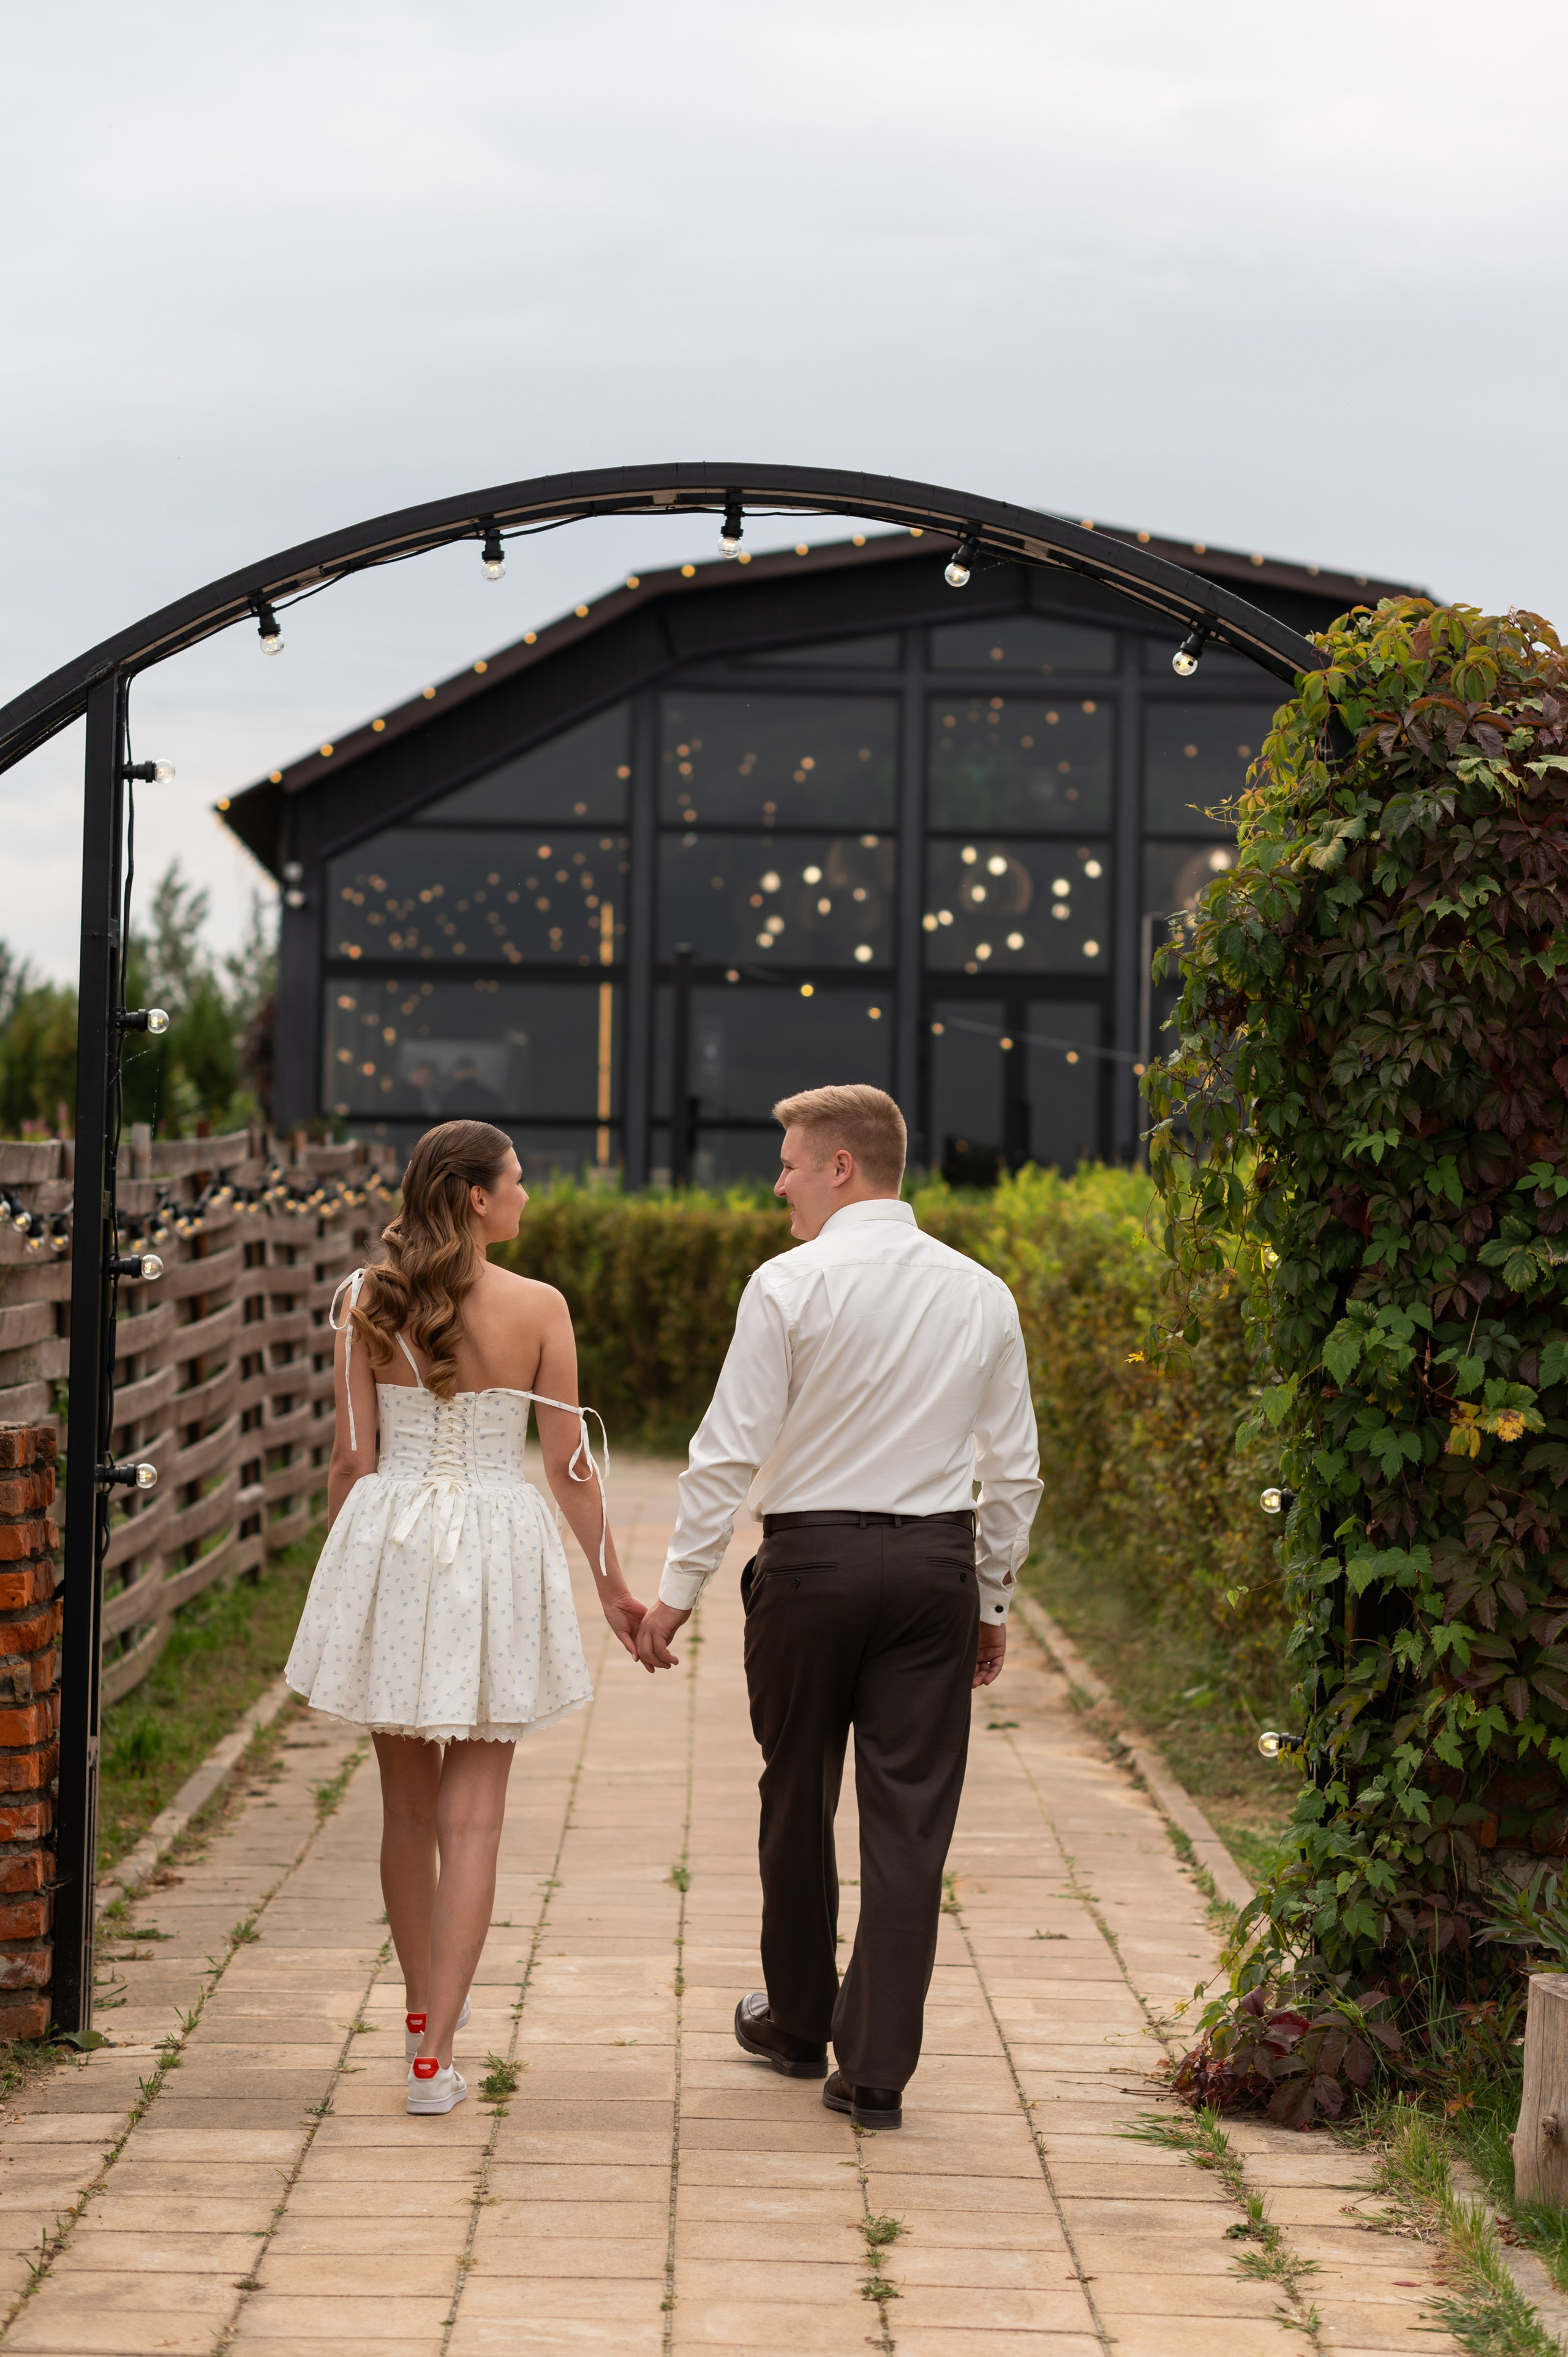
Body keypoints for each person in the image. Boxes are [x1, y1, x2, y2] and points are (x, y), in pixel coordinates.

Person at [635, 1084, 1041, 2130]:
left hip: (808, 1570)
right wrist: (991, 1598)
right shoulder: (982, 1292)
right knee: (909, 1825)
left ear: (842, 1167)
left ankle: (798, 2018)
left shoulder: (787, 1284)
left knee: (795, 1795)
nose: (778, 1184)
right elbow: (1016, 1472)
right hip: (935, 1574)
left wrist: (675, 1597)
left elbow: (725, 1452)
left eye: (789, 1164)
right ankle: (873, 2075)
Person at [286, 1120, 646, 2116]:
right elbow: (571, 1465)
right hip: (495, 1546)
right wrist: (616, 1586)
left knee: (406, 1810)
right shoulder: (540, 1308)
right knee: (474, 1817)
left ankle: (416, 2013)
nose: (528, 1196)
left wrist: (340, 1568)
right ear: (477, 1197)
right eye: (517, 1182)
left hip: (391, 1541)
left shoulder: (367, 1298)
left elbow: (352, 1457)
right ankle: (437, 2055)